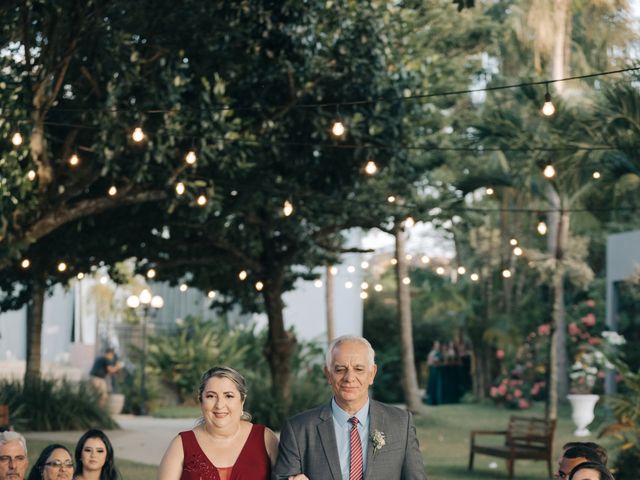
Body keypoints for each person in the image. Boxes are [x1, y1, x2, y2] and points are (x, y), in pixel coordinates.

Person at [273, 334, 427, 480]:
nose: (349, 378)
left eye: (359, 369)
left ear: (372, 374)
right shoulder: (298, 429)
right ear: (328, 374)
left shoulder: (400, 423)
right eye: (340, 370)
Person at [158, 366, 279, 480]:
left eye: (229, 396)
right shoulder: (181, 445)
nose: (219, 405)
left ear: (242, 401)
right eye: (211, 396)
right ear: (201, 400)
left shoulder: (265, 439)